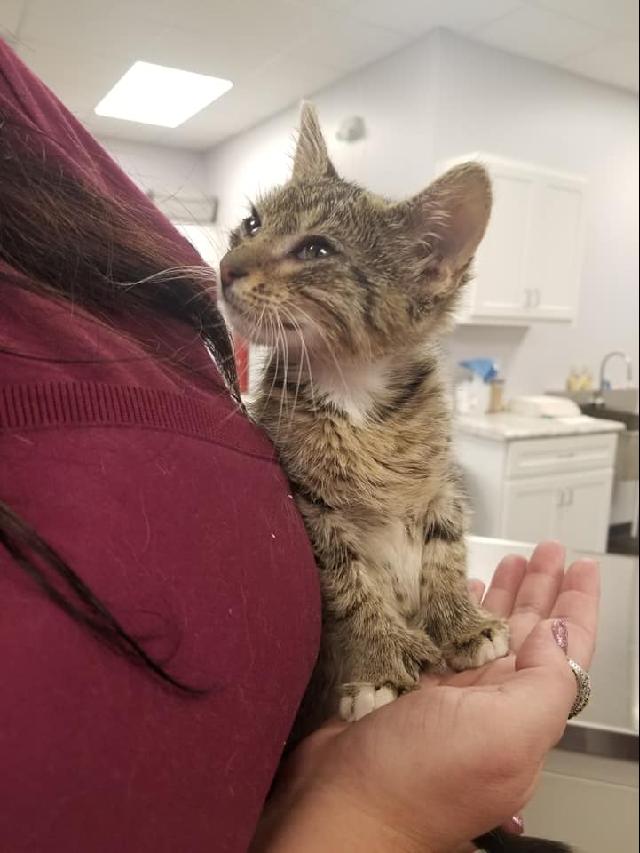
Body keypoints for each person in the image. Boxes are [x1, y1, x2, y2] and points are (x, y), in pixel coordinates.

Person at [0, 38, 598, 853]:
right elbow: (323, 532)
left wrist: (450, 607)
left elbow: (433, 514)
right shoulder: (277, 407)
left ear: (427, 271)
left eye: (312, 249)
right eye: (253, 227)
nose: (239, 262)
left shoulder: (416, 401)